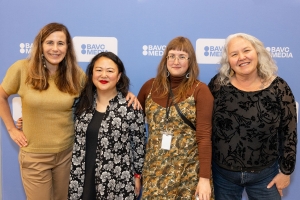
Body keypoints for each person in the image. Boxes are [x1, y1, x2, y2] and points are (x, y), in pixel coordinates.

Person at [0, 22, 138, 200]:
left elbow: (102, 87)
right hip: (35, 156)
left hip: (67, 155)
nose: (55, 49)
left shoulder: (76, 74)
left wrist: (126, 93)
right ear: (40, 45)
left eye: (61, 43)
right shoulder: (21, 69)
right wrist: (11, 128)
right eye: (50, 43)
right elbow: (2, 96)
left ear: (67, 47)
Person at [208, 33, 297, 200]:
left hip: (265, 176)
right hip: (223, 177)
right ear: (228, 60)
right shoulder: (218, 85)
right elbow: (204, 126)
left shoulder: (279, 88)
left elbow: (289, 132)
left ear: (257, 52)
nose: (242, 57)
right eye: (234, 54)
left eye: (246, 50)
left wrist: (286, 171)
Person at [138, 36, 214, 200]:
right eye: (171, 56)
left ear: (190, 61)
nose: (176, 61)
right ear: (165, 59)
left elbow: (204, 137)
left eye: (182, 56)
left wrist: (204, 179)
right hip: (155, 172)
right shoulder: (149, 87)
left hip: (189, 173)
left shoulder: (200, 91)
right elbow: (133, 128)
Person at [67, 52, 145, 200]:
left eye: (110, 71)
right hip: (81, 180)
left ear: (119, 76)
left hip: (118, 183)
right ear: (91, 74)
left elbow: (139, 146)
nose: (104, 75)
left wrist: (137, 176)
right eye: (98, 70)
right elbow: (57, 117)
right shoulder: (81, 104)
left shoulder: (130, 107)